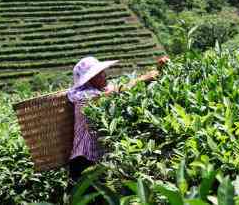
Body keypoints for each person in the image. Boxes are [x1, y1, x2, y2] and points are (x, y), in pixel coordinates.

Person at [67, 55, 170, 185]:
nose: (104, 75)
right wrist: (144, 78)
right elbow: (119, 90)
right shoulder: (84, 98)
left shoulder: (101, 90)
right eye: (99, 74)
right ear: (89, 80)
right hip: (84, 160)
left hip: (99, 159)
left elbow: (119, 88)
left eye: (102, 72)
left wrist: (158, 69)